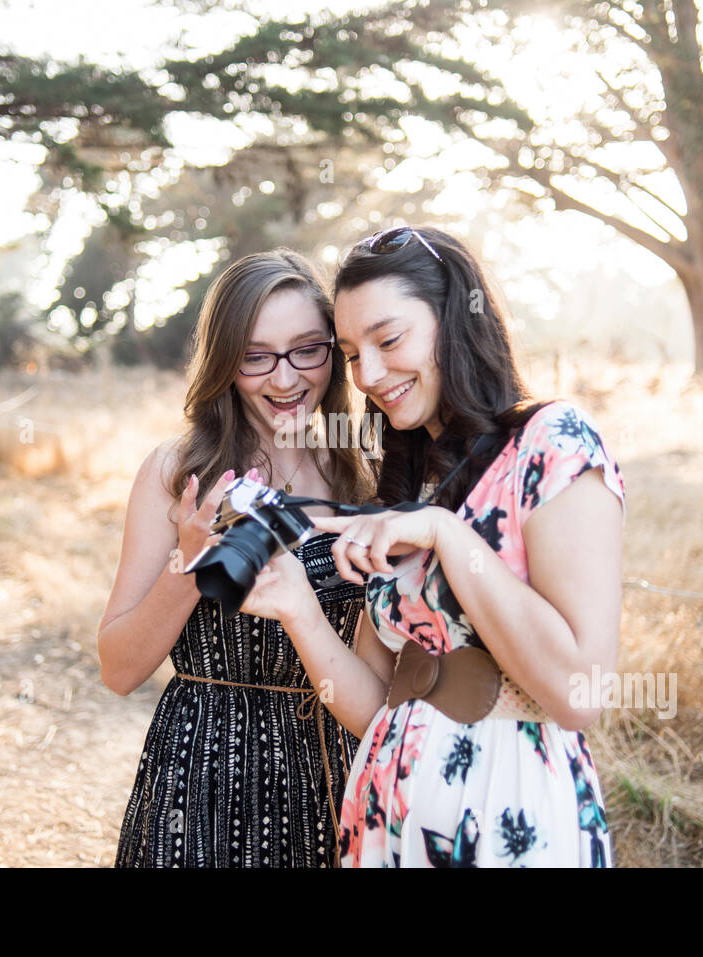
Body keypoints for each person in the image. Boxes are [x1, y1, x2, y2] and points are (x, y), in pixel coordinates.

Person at [236, 226, 627, 867]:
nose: (370, 374)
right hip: (390, 819)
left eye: (389, 340)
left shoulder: (551, 441)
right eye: (353, 354)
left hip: (508, 818)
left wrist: (446, 532)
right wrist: (299, 611)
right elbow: (374, 707)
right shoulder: (406, 480)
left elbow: (579, 694)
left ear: (454, 318)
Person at [98, 249, 373, 867]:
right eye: (256, 356)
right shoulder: (177, 473)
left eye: (308, 348)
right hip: (203, 781)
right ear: (225, 360)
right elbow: (118, 669)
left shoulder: (369, 475)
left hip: (337, 776)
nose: (285, 379)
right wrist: (190, 568)